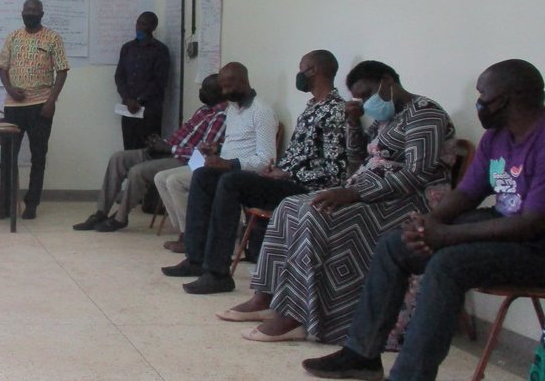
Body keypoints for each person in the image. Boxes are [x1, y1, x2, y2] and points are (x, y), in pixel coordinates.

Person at [303, 59, 545, 381]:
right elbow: (468, 192)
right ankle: (361, 355)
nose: (480, 102)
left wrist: (447, 236)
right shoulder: (497, 137)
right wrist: (429, 224)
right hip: (505, 227)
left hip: (536, 246)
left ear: (509, 97)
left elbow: (531, 223)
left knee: (449, 263)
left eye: (483, 94)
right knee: (395, 244)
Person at [221, 60, 455, 343]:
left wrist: (355, 193)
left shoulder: (425, 114)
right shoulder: (387, 117)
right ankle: (266, 298)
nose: (366, 102)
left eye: (368, 94)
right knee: (290, 206)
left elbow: (416, 175)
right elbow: (358, 161)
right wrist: (353, 124)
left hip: (410, 201)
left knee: (316, 215)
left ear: (387, 81)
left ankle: (296, 315)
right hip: (371, 190)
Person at [167, 50, 350, 293]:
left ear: (314, 71)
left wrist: (285, 173)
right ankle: (196, 259)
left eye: (302, 68)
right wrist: (279, 169)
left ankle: (218, 273)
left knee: (231, 182)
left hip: (304, 187)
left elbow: (334, 169)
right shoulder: (311, 107)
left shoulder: (335, 110)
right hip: (283, 176)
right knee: (203, 175)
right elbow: (297, 155)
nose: (299, 75)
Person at [73, 75, 227, 232]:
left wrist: (170, 149)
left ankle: (120, 217)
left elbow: (204, 153)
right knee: (118, 158)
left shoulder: (221, 116)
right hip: (170, 150)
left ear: (219, 92)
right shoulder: (204, 110)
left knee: (137, 171)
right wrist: (160, 143)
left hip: (186, 161)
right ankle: (100, 212)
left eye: (205, 89)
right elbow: (183, 136)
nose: (201, 91)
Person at [154, 62, 277, 249]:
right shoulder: (233, 109)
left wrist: (229, 163)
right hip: (218, 163)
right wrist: (216, 148)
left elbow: (266, 159)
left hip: (238, 171)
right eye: (222, 87)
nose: (225, 92)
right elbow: (234, 143)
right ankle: (186, 232)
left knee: (175, 181)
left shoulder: (262, 112)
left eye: (228, 85)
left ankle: (192, 239)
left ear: (243, 81)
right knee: (161, 177)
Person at [0, 0, 70, 221]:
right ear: (21, 13)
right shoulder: (13, 36)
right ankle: (3, 204)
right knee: (7, 157)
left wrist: (51, 102)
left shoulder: (53, 38)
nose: (30, 13)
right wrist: (10, 88)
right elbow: (2, 67)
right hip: (14, 106)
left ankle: (31, 204)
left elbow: (62, 71)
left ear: (42, 14)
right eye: (27, 10)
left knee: (38, 156)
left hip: (41, 106)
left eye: (34, 10)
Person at [114, 11, 170, 151]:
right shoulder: (127, 48)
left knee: (149, 150)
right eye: (138, 22)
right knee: (129, 149)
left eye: (144, 24)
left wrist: (139, 100)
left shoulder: (160, 50)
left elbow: (160, 81)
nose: (139, 27)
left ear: (153, 27)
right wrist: (127, 99)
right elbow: (119, 76)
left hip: (150, 111)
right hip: (129, 109)